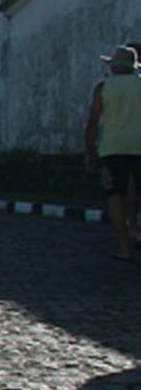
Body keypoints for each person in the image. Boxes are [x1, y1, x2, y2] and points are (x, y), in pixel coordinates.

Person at [85, 44, 141, 260]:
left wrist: (90, 152)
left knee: (115, 193)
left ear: (115, 67)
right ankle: (138, 230)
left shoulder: (103, 87)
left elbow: (92, 122)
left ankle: (125, 248)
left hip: (113, 147)